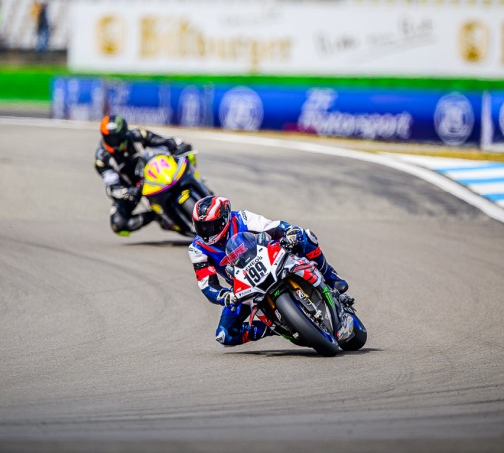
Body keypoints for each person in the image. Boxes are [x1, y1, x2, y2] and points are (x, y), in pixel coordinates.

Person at [188, 196, 351, 347]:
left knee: (304, 236)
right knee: (225, 335)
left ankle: (331, 278)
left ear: (224, 219)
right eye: (200, 226)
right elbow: (207, 284)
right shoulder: (197, 249)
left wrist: (288, 231)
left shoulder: (242, 218)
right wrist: (224, 296)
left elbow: (272, 226)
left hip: (270, 258)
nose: (205, 231)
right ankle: (277, 327)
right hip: (243, 285)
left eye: (209, 225)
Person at [94, 115, 192, 236]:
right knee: (118, 224)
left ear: (124, 133)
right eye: (110, 138)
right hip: (134, 188)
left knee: (186, 156)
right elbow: (112, 184)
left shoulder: (137, 135)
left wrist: (178, 144)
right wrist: (125, 192)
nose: (114, 142)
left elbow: (162, 140)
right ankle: (156, 215)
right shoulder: (101, 159)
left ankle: (197, 184)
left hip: (155, 171)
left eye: (117, 138)